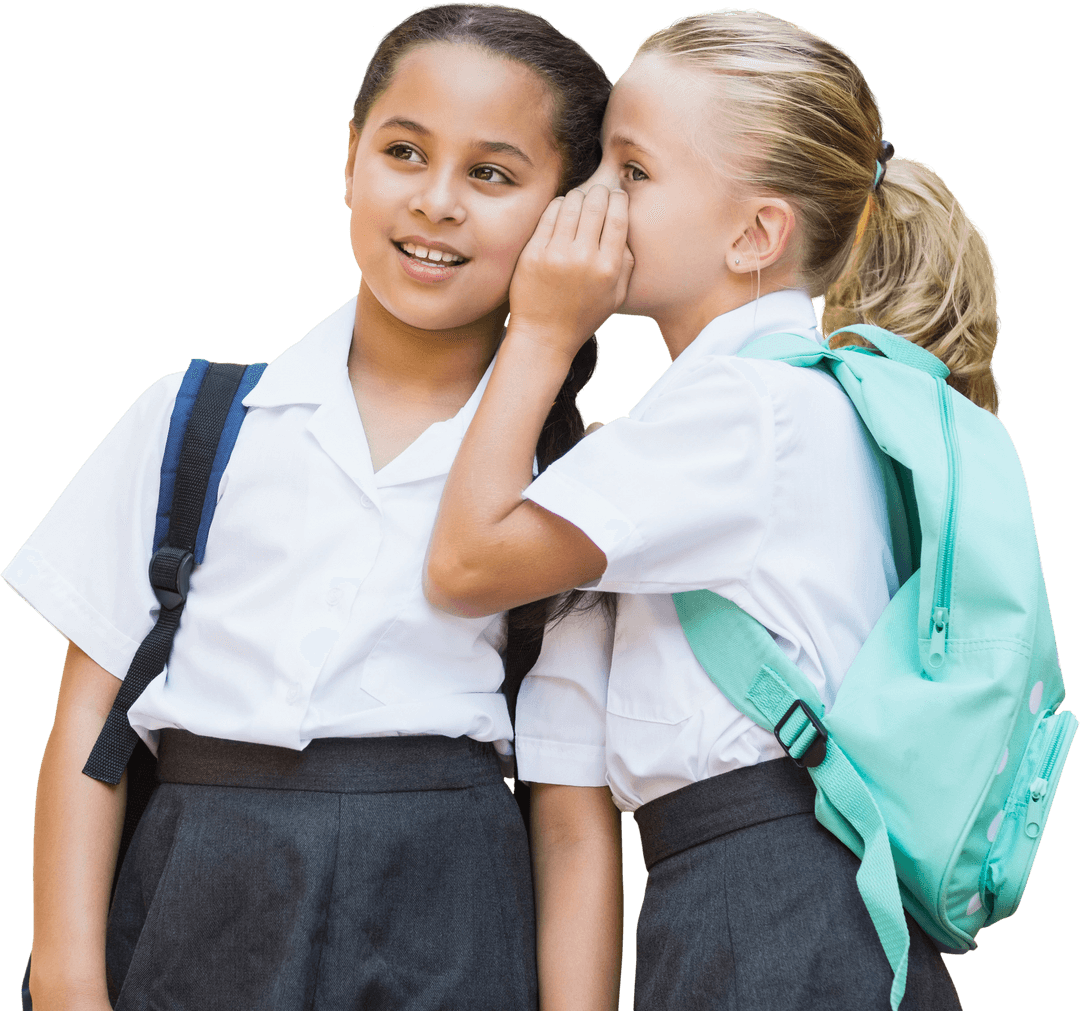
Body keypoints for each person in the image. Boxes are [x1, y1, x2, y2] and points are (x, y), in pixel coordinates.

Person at [3, 5, 623, 1010]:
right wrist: (69, 984)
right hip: (197, 900)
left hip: (453, 920)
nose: (437, 202)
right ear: (347, 159)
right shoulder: (189, 423)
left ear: (569, 217)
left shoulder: (580, 486)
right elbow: (87, 723)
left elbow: (569, 810)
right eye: (404, 152)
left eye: (493, 174)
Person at [425, 8, 1004, 1008]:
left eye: (632, 173)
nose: (590, 197)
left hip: (771, 904)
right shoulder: (747, 410)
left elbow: (466, 563)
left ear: (755, 234)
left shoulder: (747, 409)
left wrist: (540, 331)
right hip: (756, 900)